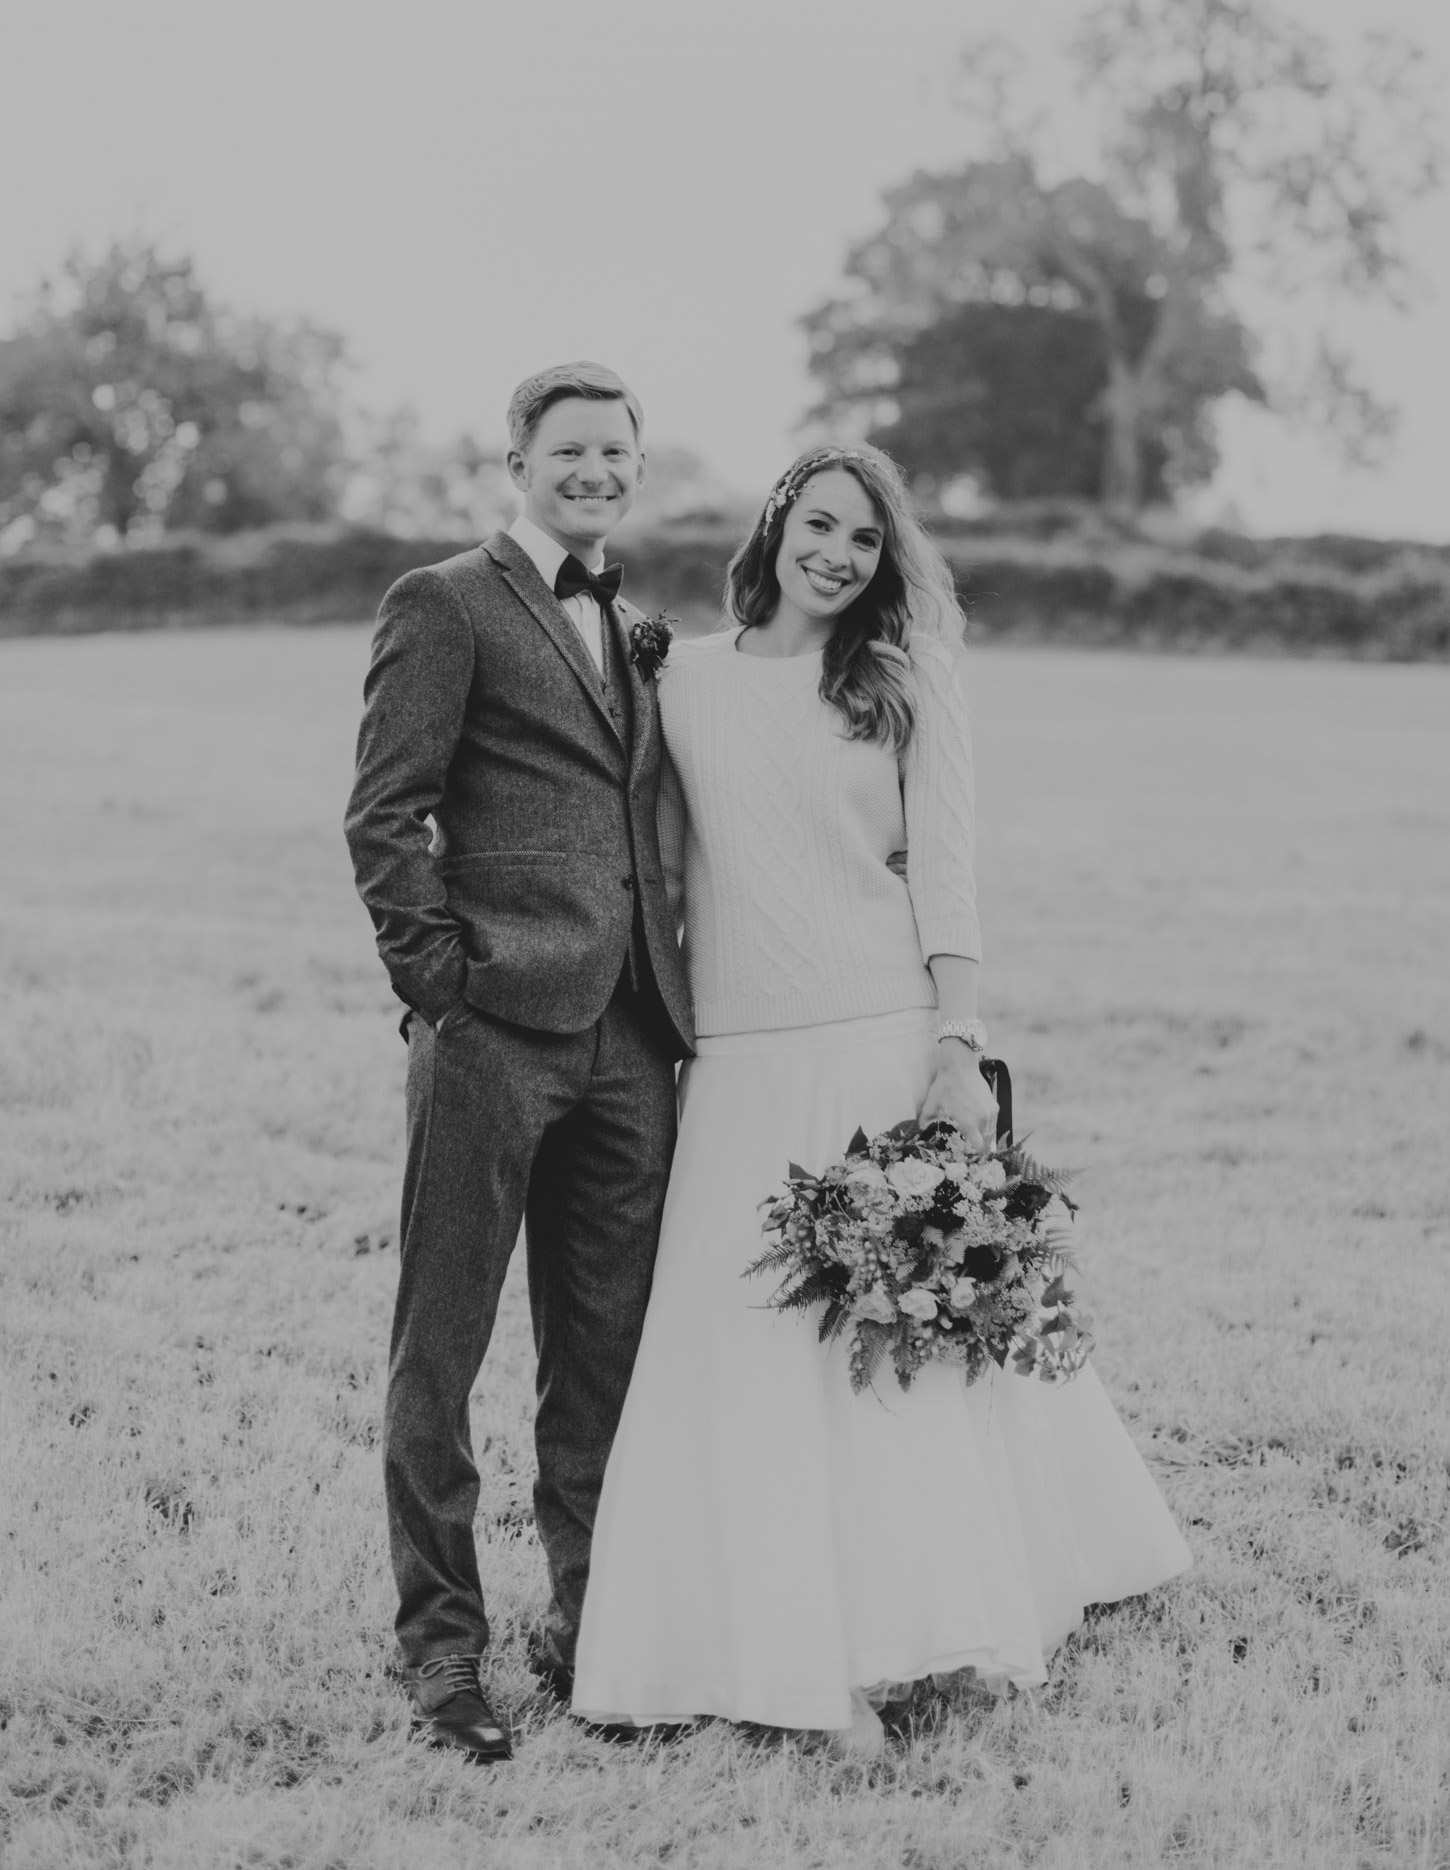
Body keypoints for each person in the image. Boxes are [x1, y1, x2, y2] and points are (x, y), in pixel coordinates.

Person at [571, 443, 1191, 1756]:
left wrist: (956, 1044)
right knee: (739, 1349)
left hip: (876, 1040)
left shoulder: (904, 681)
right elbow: (659, 869)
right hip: (735, 1057)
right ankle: (760, 1632)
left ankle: (925, 1623)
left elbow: (946, 873)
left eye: (865, 538)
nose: (839, 554)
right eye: (820, 524)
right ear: (776, 523)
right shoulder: (674, 676)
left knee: (904, 1347)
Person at [344, 362, 693, 1765]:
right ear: (518, 463)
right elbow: (384, 814)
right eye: (570, 449)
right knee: (442, 1345)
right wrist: (447, 993)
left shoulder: (646, 624)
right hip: (493, 1032)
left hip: (632, 1036)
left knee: (601, 1352)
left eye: (616, 449)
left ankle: (589, 1626)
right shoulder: (444, 601)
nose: (595, 468)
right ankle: (439, 1649)